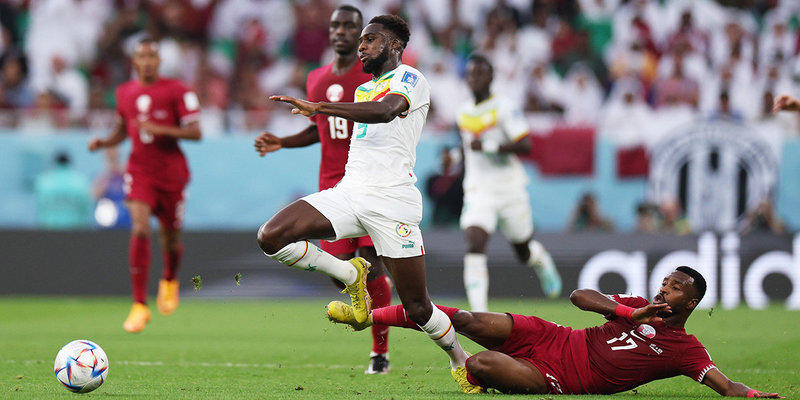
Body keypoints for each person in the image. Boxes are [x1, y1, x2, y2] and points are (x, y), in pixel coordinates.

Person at [257, 14, 481, 393]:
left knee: (418, 308)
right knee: (271, 236)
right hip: (350, 192)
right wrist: (296, 133)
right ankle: (351, 275)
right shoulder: (363, 90)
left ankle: (460, 360)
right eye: (361, 41)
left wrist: (320, 107)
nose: (361, 46)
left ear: (394, 45)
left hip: (392, 201)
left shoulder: (411, 79)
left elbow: (386, 111)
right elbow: (352, 121)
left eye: (370, 40)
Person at [328, 266, 784, 398]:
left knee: (480, 364)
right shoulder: (634, 305)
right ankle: (370, 316)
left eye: (676, 288)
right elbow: (579, 296)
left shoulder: (685, 349)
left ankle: (469, 373)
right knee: (466, 320)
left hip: (562, 378)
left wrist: (751, 395)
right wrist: (629, 313)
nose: (665, 289)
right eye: (665, 282)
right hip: (554, 337)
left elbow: (726, 385)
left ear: (691, 303)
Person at [253, 5, 393, 375]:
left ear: (362, 35)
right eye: (335, 26)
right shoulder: (316, 79)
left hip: (370, 183)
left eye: (349, 26)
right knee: (339, 273)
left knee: (373, 267)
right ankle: (357, 284)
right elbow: (321, 128)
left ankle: (379, 352)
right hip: (333, 187)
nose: (341, 32)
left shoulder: (374, 76)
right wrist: (282, 141)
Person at [88, 37, 202, 333]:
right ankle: (139, 304)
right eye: (142, 56)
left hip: (172, 174)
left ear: (159, 61)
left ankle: (169, 279)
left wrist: (159, 129)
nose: (147, 61)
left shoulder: (177, 90)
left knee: (170, 240)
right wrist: (105, 142)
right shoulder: (124, 92)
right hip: (140, 171)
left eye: (152, 56)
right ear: (135, 61)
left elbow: (196, 132)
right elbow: (122, 128)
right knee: (139, 227)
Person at [455, 54, 561, 313]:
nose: (474, 79)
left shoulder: (504, 107)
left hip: (509, 188)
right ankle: (479, 313)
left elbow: (525, 145)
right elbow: (469, 148)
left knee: (522, 250)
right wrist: (454, 157)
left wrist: (490, 146)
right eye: (470, 74)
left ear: (491, 77)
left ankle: (540, 259)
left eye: (479, 73)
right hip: (479, 189)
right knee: (474, 242)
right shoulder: (463, 112)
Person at [34, 151, 92, 229]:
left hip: (49, 230)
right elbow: (86, 209)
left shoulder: (43, 182)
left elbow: (40, 208)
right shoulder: (81, 182)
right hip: (75, 231)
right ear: (70, 163)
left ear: (54, 163)